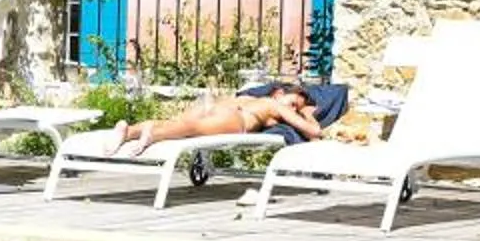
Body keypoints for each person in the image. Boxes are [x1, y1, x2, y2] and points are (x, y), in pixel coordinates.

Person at [111, 80, 334, 155]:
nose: (294, 110)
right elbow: (314, 132)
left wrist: (300, 109)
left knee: (180, 122)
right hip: (237, 119)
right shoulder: (274, 104)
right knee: (193, 128)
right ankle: (154, 135)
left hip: (217, 105)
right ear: (279, 93)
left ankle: (129, 130)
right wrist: (308, 114)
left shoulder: (247, 96)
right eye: (294, 103)